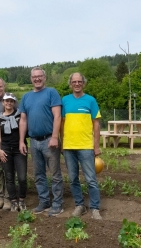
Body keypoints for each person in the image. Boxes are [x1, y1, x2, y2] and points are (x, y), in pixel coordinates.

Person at [19, 67, 64, 216]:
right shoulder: (26, 97)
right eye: (34, 77)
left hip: (48, 140)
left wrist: (54, 137)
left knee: (55, 174)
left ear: (44, 78)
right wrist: (21, 141)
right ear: (31, 79)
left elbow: (57, 116)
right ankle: (44, 201)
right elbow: (23, 120)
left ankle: (58, 204)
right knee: (39, 174)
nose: (37, 79)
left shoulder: (51, 92)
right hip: (34, 141)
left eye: (40, 76)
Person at [61, 73, 102, 219]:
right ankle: (80, 205)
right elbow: (62, 123)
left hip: (86, 146)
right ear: (70, 83)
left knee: (91, 178)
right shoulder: (65, 100)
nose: (77, 84)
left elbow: (96, 125)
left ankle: (95, 208)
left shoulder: (91, 100)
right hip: (69, 146)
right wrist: (62, 142)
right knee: (73, 179)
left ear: (83, 83)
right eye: (74, 82)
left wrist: (96, 146)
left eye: (80, 81)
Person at [0, 77, 18, 210]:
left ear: (4, 86)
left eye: (0, 86)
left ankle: (8, 198)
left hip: (7, 140)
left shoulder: (10, 100)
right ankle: (0, 198)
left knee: (8, 170)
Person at [0, 93, 27, 212]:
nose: (8, 103)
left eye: (11, 101)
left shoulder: (20, 115)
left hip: (19, 149)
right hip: (6, 149)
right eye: (6, 101)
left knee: (22, 177)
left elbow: (24, 130)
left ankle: (22, 200)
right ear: (3, 103)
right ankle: (13, 201)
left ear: (14, 103)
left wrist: (22, 142)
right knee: (9, 177)